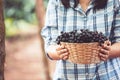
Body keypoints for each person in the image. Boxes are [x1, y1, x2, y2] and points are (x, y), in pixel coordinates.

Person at [41, 0, 120, 79]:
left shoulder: (114, 2)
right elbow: (50, 45)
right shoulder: (56, 2)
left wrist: (108, 52)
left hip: (107, 75)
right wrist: (58, 52)